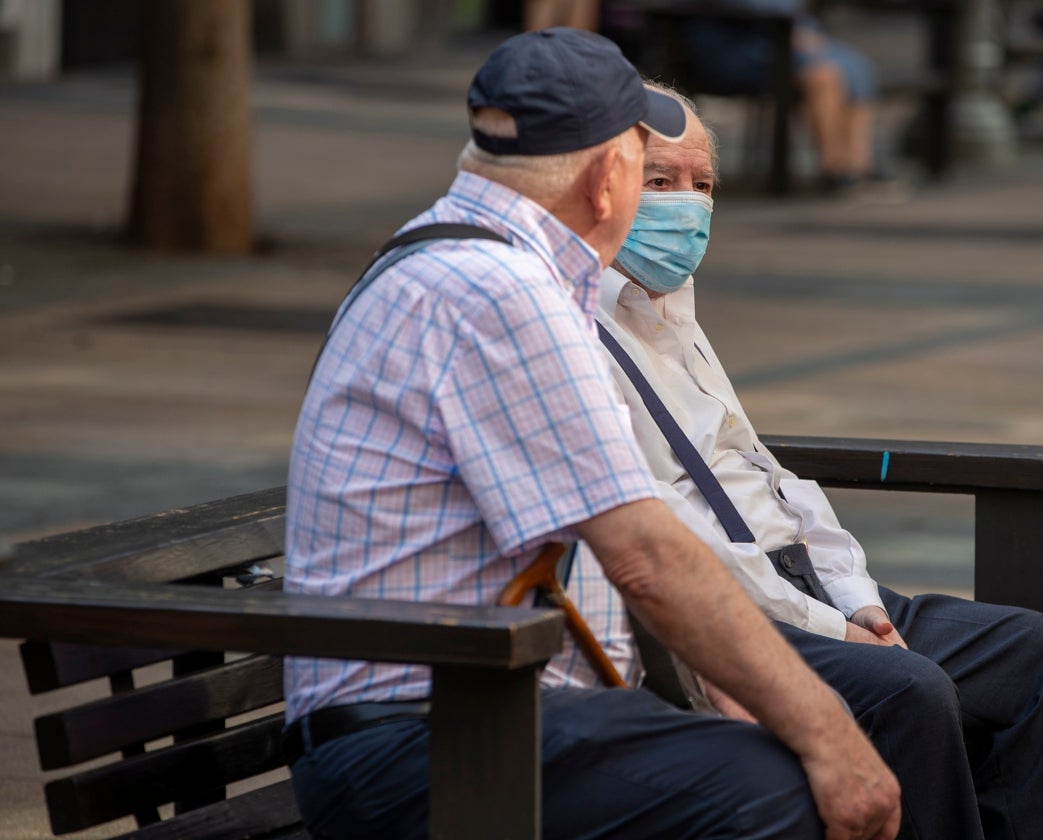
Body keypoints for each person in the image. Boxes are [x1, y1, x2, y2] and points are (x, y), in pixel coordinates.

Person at [283, 27, 900, 840]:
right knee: (777, 785)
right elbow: (645, 552)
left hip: (480, 709)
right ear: (610, 177)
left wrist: (725, 685)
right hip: (425, 739)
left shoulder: (474, 260)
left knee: (783, 750)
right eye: (650, 174)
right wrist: (828, 732)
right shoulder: (496, 289)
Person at [574, 83, 1043, 839]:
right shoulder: (569, 331)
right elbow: (668, 540)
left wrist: (856, 597)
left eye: (703, 186)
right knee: (909, 690)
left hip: (807, 586)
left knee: (1034, 655)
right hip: (732, 613)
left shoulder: (672, 311)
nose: (688, 209)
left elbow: (770, 477)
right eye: (661, 181)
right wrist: (831, 629)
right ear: (604, 186)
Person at [682, 0, 883, 192]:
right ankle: (835, 168)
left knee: (857, 67)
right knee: (822, 76)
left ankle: (858, 165)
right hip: (736, 44)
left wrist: (805, 33)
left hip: (786, 35)